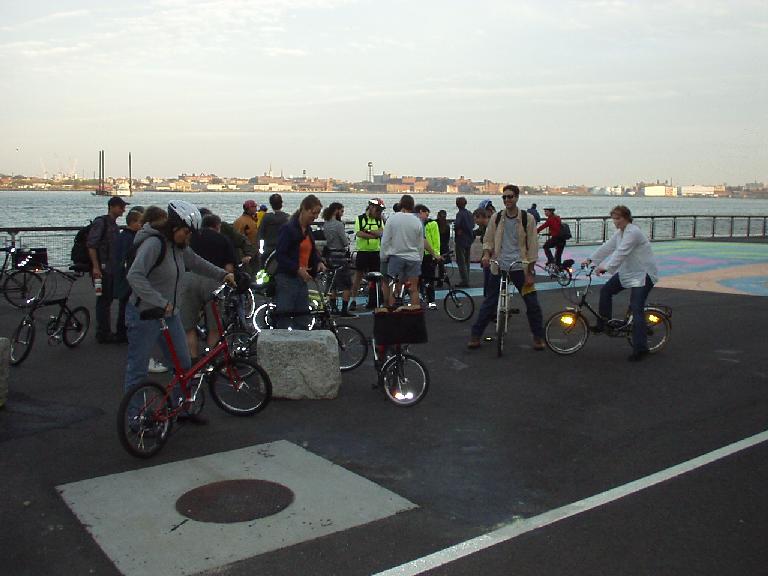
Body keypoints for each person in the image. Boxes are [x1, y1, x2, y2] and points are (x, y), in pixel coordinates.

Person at [125, 201, 235, 424]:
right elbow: (134, 276)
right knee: (138, 370)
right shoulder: (154, 245)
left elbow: (196, 262)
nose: (188, 238)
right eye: (186, 232)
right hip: (145, 314)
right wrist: (159, 301)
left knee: (184, 365)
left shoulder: (178, 246)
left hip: (169, 314)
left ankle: (181, 409)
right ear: (174, 227)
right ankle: (135, 418)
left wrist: (222, 275)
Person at [467, 185, 545, 351]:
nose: (507, 200)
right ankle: (475, 335)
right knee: (490, 301)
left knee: (532, 303)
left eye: (510, 196)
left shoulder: (527, 219)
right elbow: (488, 239)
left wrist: (530, 270)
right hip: (499, 265)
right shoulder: (497, 218)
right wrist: (487, 255)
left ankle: (538, 337)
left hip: (520, 267)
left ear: (517, 198)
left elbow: (532, 245)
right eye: (504, 197)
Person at [582, 205, 659, 362]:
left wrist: (606, 267)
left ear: (626, 218)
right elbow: (607, 247)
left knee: (636, 308)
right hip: (628, 273)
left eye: (618, 218)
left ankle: (641, 348)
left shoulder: (633, 232)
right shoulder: (620, 233)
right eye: (614, 219)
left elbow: (621, 252)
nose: (615, 222)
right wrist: (591, 259)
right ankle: (604, 323)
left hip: (643, 274)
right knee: (606, 291)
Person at [181, 213, 237, 359]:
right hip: (214, 281)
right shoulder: (223, 239)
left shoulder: (190, 237)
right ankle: (211, 363)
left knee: (188, 327)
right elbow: (229, 268)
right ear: (217, 226)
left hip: (189, 279)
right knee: (215, 328)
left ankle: (192, 362)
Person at [274, 195, 326, 329]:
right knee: (284, 317)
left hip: (302, 279)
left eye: (317, 214)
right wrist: (297, 269)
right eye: (313, 213)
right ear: (304, 209)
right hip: (287, 278)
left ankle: (301, 344)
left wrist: (318, 261)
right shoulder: (288, 229)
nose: (315, 217)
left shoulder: (308, 230)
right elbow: (280, 255)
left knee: (303, 317)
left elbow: (311, 251)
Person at [88, 196, 128, 343]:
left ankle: (105, 331)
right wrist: (96, 267)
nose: (123, 210)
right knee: (104, 300)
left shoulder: (113, 225)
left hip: (111, 268)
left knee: (107, 299)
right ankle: (103, 332)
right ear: (112, 207)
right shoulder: (102, 223)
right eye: (121, 207)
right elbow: (91, 245)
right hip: (103, 268)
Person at [380, 195, 424, 307]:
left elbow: (385, 240)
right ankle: (415, 314)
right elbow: (420, 244)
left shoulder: (392, 219)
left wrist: (383, 256)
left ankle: (393, 313)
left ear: (401, 204)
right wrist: (420, 258)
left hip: (396, 257)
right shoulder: (417, 221)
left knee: (394, 288)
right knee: (414, 289)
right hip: (414, 258)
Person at [113, 207, 144, 343]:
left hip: (123, 275)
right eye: (139, 222)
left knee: (124, 305)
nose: (141, 225)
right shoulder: (131, 238)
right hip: (129, 277)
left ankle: (122, 332)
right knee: (128, 305)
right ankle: (124, 332)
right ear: (132, 222)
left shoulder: (122, 236)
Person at [350, 198, 385, 310]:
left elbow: (382, 233)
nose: (379, 212)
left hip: (375, 252)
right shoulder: (360, 219)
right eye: (378, 210)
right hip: (363, 252)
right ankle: (353, 300)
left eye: (380, 210)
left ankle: (374, 300)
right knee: (358, 277)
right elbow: (359, 233)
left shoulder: (380, 220)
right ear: (371, 207)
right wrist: (374, 234)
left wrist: (368, 232)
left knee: (375, 278)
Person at [322, 202, 355, 317]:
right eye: (341, 211)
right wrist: (347, 240)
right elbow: (345, 242)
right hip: (340, 256)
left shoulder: (325, 224)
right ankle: (344, 310)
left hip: (330, 256)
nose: (342, 213)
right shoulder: (339, 225)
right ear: (336, 211)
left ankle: (333, 308)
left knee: (332, 283)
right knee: (347, 285)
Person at [415, 204, 442, 309]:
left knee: (429, 279)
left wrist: (436, 254)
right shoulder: (416, 223)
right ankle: (418, 299)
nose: (427, 216)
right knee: (417, 279)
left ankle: (431, 301)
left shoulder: (432, 224)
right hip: (418, 254)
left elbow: (436, 240)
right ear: (421, 212)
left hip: (428, 255)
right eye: (426, 213)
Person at [256, 193, 290, 265]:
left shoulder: (266, 218)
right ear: (281, 203)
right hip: (285, 250)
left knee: (263, 271)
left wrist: (260, 250)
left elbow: (260, 234)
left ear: (271, 204)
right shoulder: (287, 218)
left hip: (268, 250)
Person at [233, 199, 260, 272]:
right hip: (246, 255)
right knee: (248, 273)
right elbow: (238, 238)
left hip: (254, 252)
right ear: (249, 208)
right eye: (254, 207)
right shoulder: (241, 221)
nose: (256, 209)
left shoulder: (252, 220)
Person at [453, 197, 474, 288]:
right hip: (469, 238)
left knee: (461, 260)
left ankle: (464, 280)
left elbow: (457, 224)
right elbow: (473, 225)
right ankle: (467, 278)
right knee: (467, 260)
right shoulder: (469, 213)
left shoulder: (459, 214)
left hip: (461, 239)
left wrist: (457, 229)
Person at [473, 207, 491, 296]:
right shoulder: (483, 228)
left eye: (476, 219)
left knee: (489, 281)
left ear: (480, 217)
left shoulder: (490, 227)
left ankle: (489, 300)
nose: (475, 221)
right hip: (487, 257)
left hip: (492, 258)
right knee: (487, 280)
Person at [435, 209, 451, 285]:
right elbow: (447, 238)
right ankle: (441, 279)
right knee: (441, 264)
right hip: (444, 246)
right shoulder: (447, 226)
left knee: (434, 264)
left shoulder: (435, 224)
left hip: (436, 245)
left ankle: (437, 280)